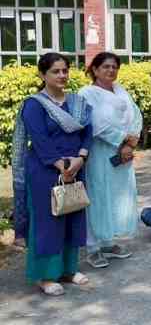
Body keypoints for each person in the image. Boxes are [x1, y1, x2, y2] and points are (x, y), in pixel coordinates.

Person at [11, 53, 92, 296]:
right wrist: (62, 166)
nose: (62, 76)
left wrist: (80, 158)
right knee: (48, 222)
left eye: (65, 70)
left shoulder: (78, 103)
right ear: (42, 75)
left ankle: (67, 270)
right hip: (46, 170)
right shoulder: (34, 105)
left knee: (72, 216)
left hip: (76, 166)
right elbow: (39, 139)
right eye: (55, 71)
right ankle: (44, 275)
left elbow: (88, 132)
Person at [78, 52, 143, 269]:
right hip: (100, 153)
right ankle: (93, 247)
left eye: (114, 66)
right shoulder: (87, 93)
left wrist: (130, 144)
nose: (111, 70)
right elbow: (95, 123)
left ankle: (108, 242)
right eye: (105, 66)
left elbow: (136, 115)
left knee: (117, 196)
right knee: (98, 196)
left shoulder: (121, 90)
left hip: (123, 154)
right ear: (94, 70)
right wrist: (122, 139)